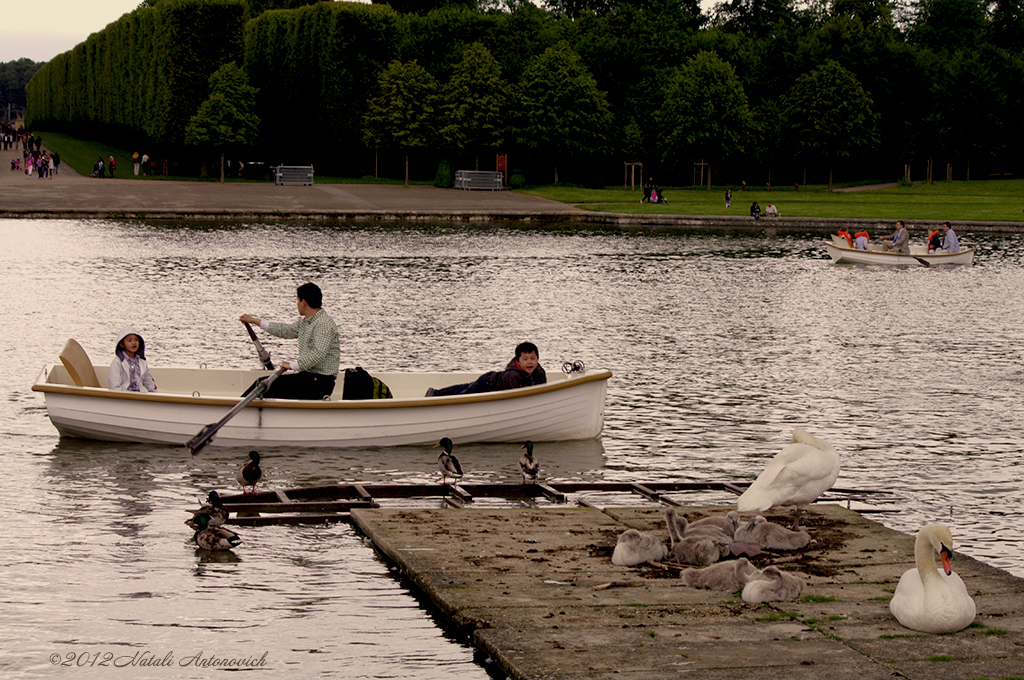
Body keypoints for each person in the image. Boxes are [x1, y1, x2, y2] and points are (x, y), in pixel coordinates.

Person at [239, 282, 340, 400]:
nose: (297, 304)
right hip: (308, 378)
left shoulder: (323, 324)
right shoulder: (306, 322)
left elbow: (318, 355)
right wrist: (254, 321)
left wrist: (292, 365)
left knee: (262, 384)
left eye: (297, 301)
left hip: (320, 383)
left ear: (303, 302)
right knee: (261, 383)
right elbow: (285, 330)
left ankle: (234, 409)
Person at [425, 342, 547, 397]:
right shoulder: (513, 376)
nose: (529, 362)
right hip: (488, 383)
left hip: (493, 377)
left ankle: (436, 393)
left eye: (533, 358)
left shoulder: (539, 372)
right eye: (525, 359)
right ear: (518, 361)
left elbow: (541, 390)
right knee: (464, 395)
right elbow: (514, 397)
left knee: (466, 386)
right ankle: (436, 395)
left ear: (537, 359)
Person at [109, 326, 158, 393]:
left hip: (140, 396)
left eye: (136, 340)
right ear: (121, 344)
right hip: (124, 396)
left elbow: (148, 381)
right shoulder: (117, 362)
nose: (134, 343)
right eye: (129, 340)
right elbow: (114, 385)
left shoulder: (142, 362)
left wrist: (156, 394)